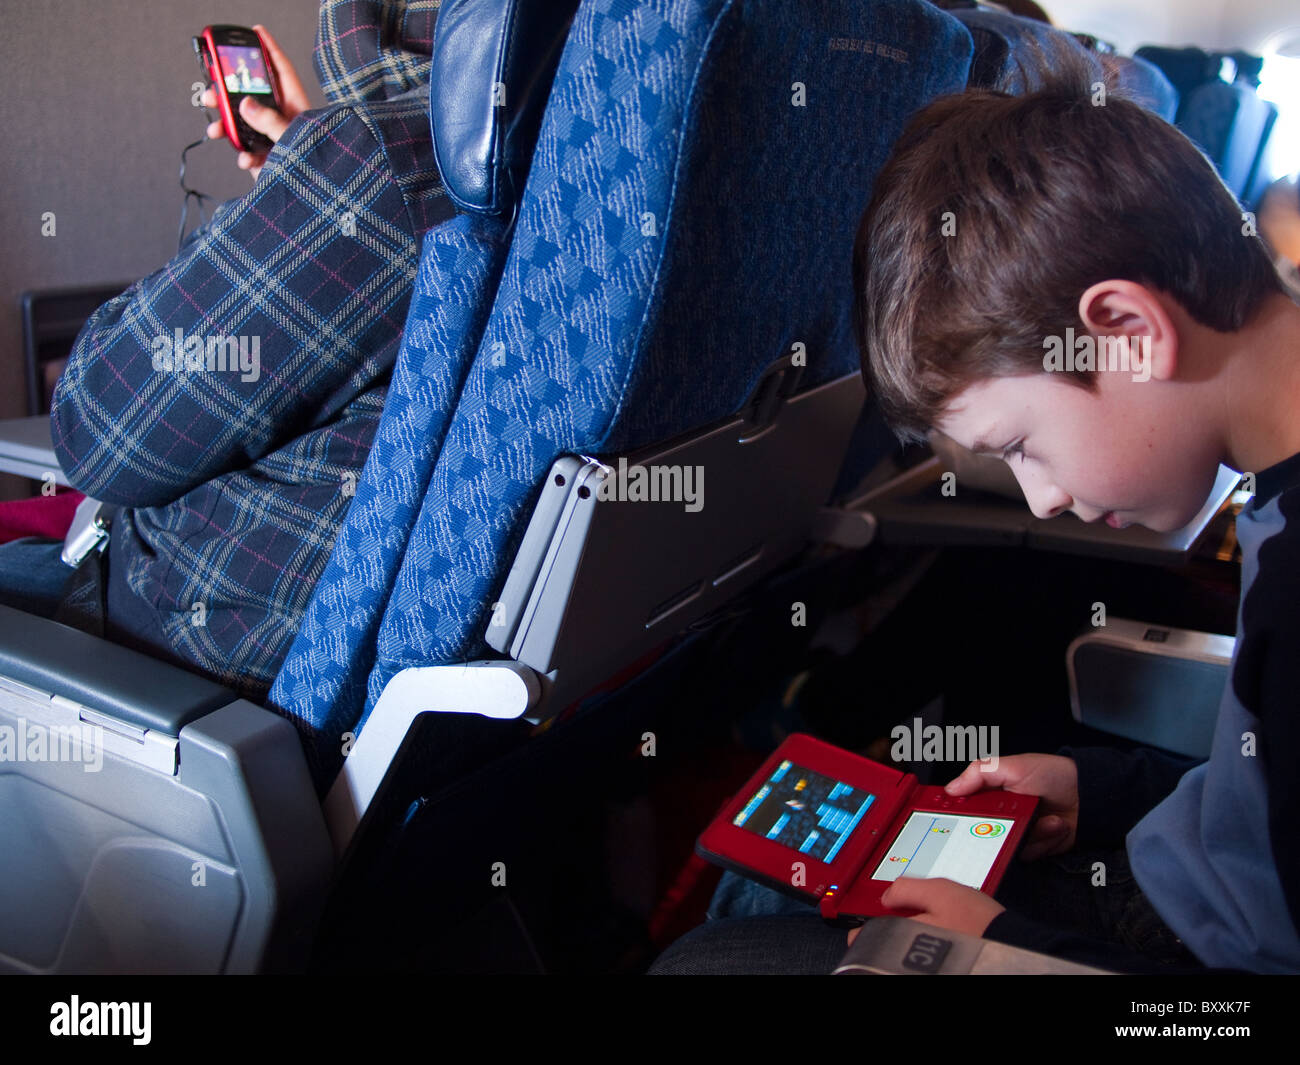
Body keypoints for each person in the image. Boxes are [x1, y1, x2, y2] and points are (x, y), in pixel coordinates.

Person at [653, 59, 1300, 974]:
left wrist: (1001, 948)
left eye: (1022, 444)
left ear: (1126, 330)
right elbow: (1263, 805)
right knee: (776, 885)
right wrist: (1104, 789)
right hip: (1184, 882)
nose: (1042, 498)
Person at [45, 3, 451, 699]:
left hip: (182, 653)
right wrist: (303, 174)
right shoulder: (562, 149)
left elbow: (96, 432)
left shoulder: (384, 161)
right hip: (399, 666)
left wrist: (329, 171)